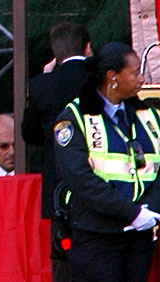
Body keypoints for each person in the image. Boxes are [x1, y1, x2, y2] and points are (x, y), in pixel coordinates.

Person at [55, 42, 160, 282]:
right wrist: (131, 213)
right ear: (112, 77)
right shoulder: (75, 117)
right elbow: (80, 179)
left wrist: (150, 210)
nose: (141, 79)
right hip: (97, 234)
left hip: (140, 234)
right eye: (134, 73)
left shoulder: (149, 115)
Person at [22, 22, 92, 282]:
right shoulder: (102, 78)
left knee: (64, 260)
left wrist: (47, 77)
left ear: (55, 53)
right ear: (88, 48)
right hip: (102, 180)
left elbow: (29, 134)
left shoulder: (42, 84)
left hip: (60, 183)